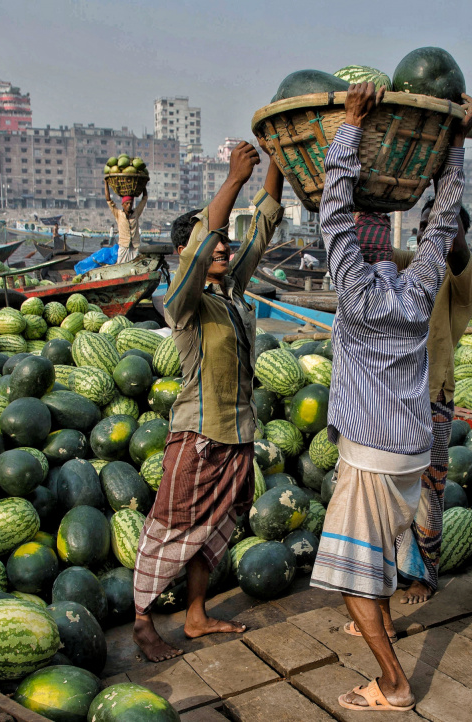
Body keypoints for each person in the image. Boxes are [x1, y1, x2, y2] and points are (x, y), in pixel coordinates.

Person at [309, 82, 472, 713]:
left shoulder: (355, 297)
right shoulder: (416, 293)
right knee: (376, 557)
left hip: (371, 457)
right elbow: (444, 218)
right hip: (411, 449)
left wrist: (351, 124)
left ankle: (394, 683)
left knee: (351, 577)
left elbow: (332, 210)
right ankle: (385, 644)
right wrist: (456, 142)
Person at [131, 141, 284, 662]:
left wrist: (278, 161)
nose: (223, 250)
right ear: (187, 252)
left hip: (238, 434)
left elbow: (262, 226)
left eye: (225, 244)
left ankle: (195, 616)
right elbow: (202, 247)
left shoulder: (232, 293)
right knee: (170, 527)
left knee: (213, 527)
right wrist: (233, 179)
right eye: (215, 244)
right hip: (198, 436)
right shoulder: (183, 301)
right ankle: (142, 621)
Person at [390, 202, 472, 604]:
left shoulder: (463, 274)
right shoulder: (409, 264)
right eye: (424, 224)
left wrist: (445, 204)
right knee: (389, 486)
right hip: (391, 394)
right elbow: (371, 250)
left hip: (432, 395)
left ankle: (424, 577)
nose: (429, 231)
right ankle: (393, 567)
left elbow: (456, 249)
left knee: (429, 490)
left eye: (441, 224)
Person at [106, 185, 148, 263]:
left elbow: (144, 199)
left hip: (135, 246)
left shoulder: (136, 213)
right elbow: (108, 200)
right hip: (123, 246)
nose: (129, 205)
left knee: (136, 265)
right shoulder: (118, 214)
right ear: (123, 204)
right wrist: (106, 183)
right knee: (121, 265)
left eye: (130, 203)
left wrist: (143, 185)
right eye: (127, 203)